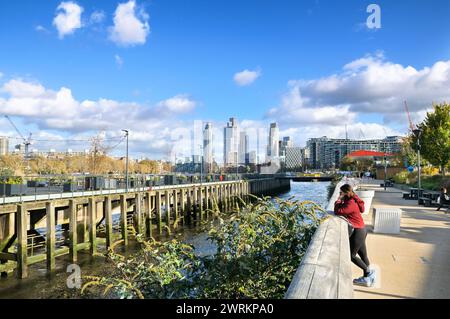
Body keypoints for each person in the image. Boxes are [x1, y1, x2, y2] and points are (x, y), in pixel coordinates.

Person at [334, 184, 376, 287]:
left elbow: (338, 211)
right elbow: (361, 208)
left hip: (358, 231)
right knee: (363, 255)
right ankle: (367, 278)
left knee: (351, 256)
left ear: (345, 193)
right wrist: (342, 200)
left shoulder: (351, 203)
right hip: (362, 229)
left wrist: (338, 200)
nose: (340, 194)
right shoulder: (353, 200)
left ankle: (369, 273)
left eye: (341, 193)